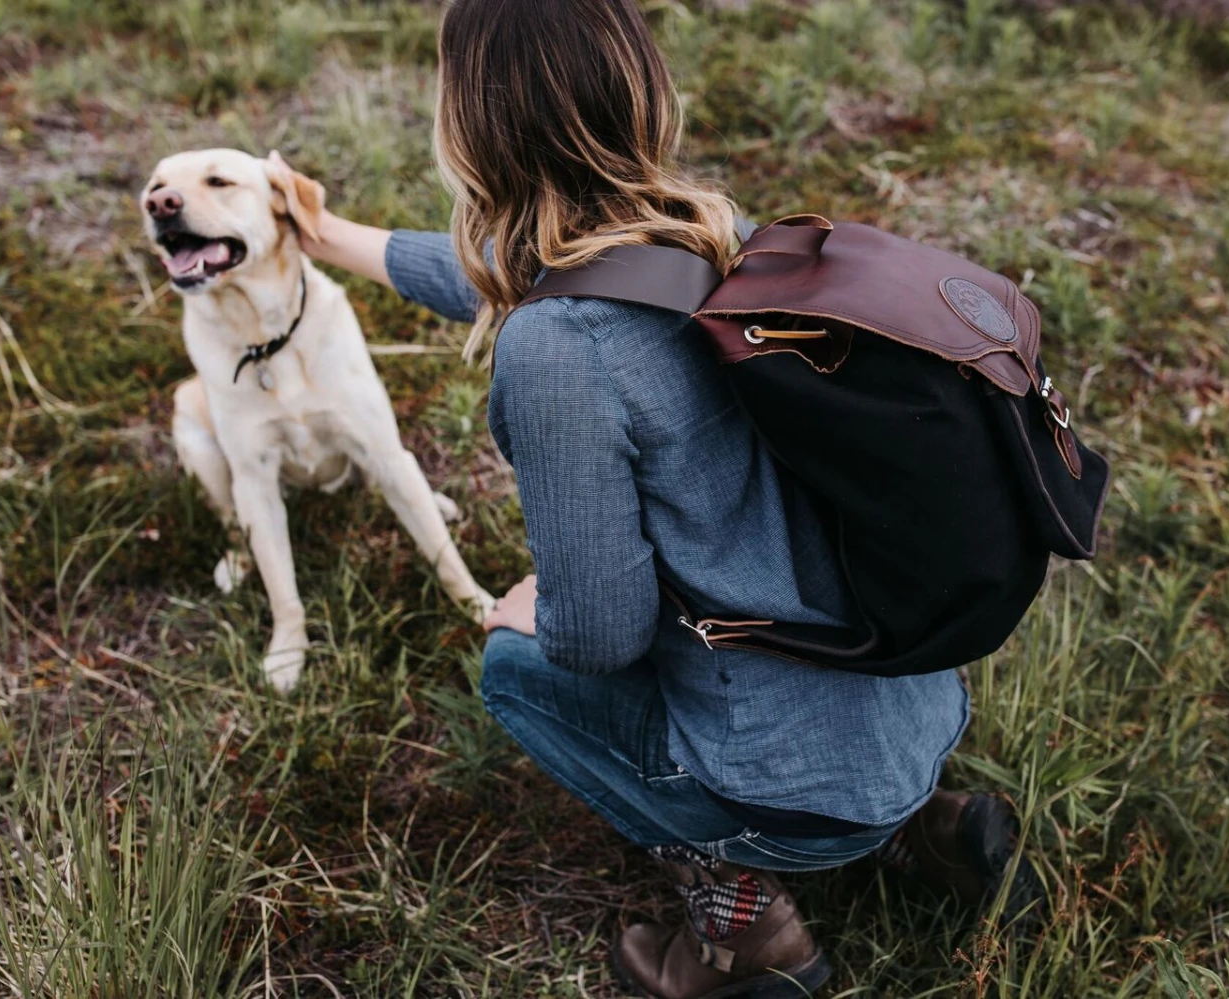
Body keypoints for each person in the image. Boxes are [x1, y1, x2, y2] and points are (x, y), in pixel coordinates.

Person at [280, 1, 1040, 994]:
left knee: (515, 667)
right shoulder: (715, 238)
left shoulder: (558, 350)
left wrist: (536, 607)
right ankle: (918, 827)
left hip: (791, 784)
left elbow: (600, 637)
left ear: (472, 123)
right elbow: (506, 277)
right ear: (635, 87)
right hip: (917, 697)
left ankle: (742, 925)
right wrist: (329, 235)